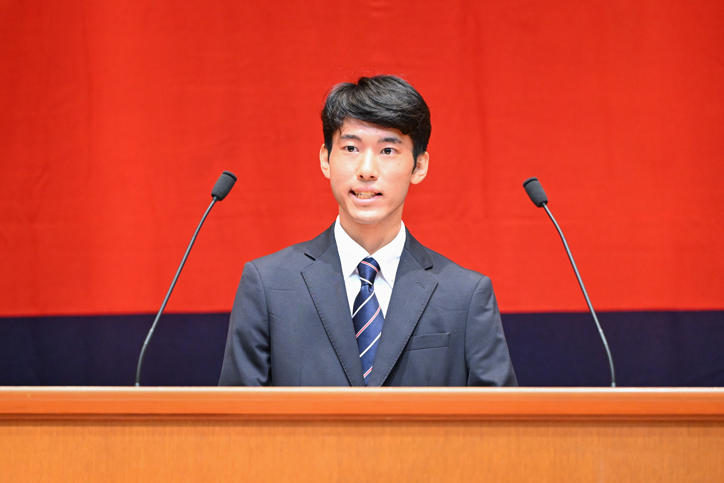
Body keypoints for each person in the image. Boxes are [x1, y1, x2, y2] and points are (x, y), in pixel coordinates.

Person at [219, 75, 517, 386]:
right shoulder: (268, 286)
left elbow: (499, 416)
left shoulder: (465, 295)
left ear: (419, 166)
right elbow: (236, 414)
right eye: (351, 148)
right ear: (325, 159)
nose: (366, 170)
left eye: (387, 151)